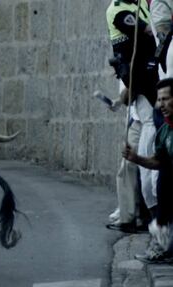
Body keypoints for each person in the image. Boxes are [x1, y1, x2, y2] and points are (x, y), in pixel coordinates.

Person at [105, 0, 159, 233]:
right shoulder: (119, 11)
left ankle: (143, 213)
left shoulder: (140, 6)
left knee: (139, 159)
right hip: (138, 86)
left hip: (141, 89)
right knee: (131, 160)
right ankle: (128, 216)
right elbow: (148, 32)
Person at [123, 78, 173, 263]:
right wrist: (136, 158)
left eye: (166, 99)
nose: (161, 105)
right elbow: (159, 161)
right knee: (163, 175)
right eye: (159, 100)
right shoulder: (164, 132)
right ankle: (161, 236)